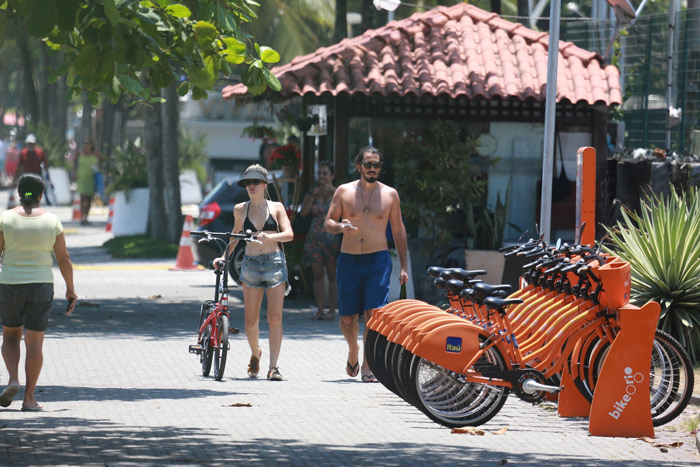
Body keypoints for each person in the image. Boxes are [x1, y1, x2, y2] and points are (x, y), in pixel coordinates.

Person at [324, 146, 408, 382]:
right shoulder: (343, 191)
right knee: (348, 318)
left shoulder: (390, 195)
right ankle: (353, 349)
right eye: (368, 164)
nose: (373, 169)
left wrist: (403, 266)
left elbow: (399, 230)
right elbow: (328, 222)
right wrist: (340, 227)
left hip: (377, 260)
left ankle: (369, 364)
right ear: (358, 166)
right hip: (349, 260)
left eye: (377, 165)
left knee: (374, 314)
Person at [0, 173, 77, 411]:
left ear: (19, 193)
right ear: (42, 195)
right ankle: (29, 399)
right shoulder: (52, 221)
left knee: (11, 336)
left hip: (10, 284)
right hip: (41, 285)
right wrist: (71, 290)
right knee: (35, 342)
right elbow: (63, 258)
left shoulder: (4, 219)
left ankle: (13, 379)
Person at [213, 164, 293, 381]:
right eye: (248, 183)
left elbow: (289, 234)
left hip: (274, 263)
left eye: (255, 182)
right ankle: (255, 352)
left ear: (265, 184)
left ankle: (274, 366)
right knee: (251, 322)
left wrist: (270, 237)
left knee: (274, 318)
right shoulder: (241, 209)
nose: (251, 186)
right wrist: (223, 257)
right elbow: (234, 236)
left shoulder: (276, 208)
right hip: (250, 264)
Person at [300, 161, 341, 320]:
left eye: (325, 173)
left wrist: (331, 191)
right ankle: (319, 310)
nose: (322, 177)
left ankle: (332, 310)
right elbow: (303, 213)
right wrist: (313, 195)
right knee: (317, 274)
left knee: (332, 274)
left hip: (331, 237)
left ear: (332, 175)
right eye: (320, 174)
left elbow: (345, 212)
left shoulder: (338, 193)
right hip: (314, 238)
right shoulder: (311, 193)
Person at [73, 139, 104, 224]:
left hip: (91, 179)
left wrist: (98, 168)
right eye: (85, 143)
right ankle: (82, 217)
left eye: (88, 143)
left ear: (91, 145)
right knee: (83, 198)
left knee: (89, 199)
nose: (86, 145)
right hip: (81, 178)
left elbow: (103, 160)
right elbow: (74, 163)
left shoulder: (95, 154)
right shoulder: (79, 153)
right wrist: (74, 173)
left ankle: (86, 217)